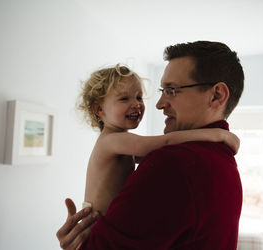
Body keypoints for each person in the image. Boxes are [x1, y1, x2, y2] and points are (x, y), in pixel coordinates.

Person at [57, 41, 244, 250]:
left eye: (172, 90)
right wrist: (217, 134)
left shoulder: (173, 163)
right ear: (99, 109)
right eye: (163, 90)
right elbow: (158, 144)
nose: (158, 104)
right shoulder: (221, 158)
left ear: (217, 95)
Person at [77, 64, 239, 216]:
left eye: (139, 97)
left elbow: (159, 154)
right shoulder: (110, 141)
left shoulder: (121, 144)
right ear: (99, 109)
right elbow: (165, 143)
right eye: (124, 99)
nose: (136, 104)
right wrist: (217, 135)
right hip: (94, 224)